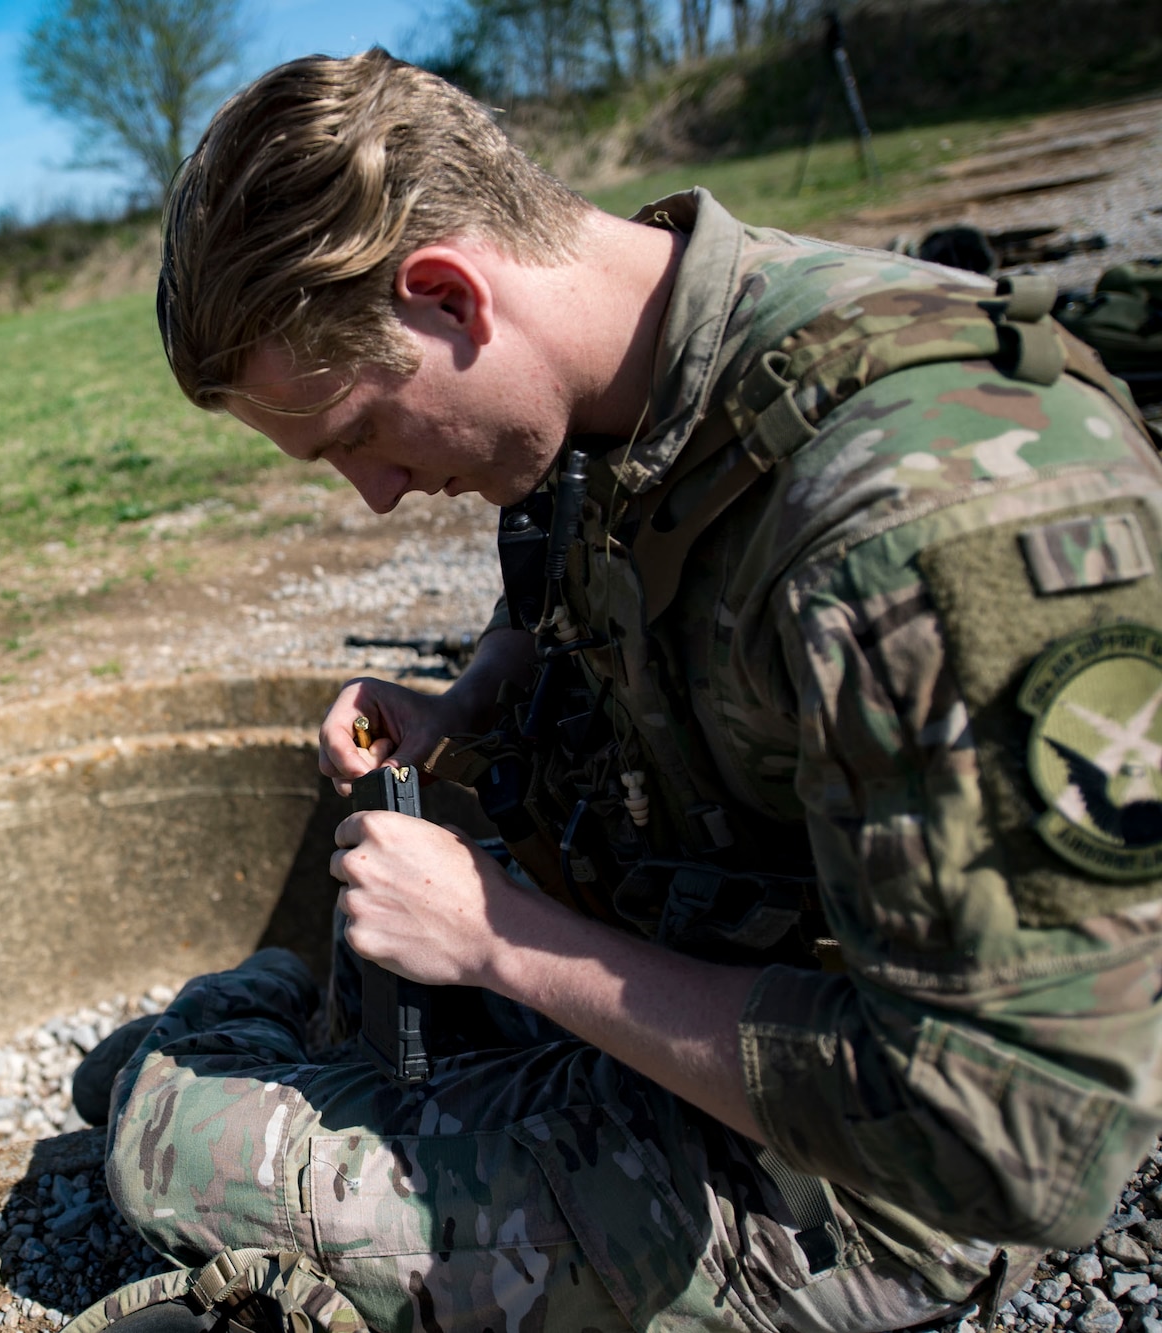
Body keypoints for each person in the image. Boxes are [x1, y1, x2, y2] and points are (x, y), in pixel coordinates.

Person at [94, 48, 1162, 1333]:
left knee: (169, 1143)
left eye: (359, 435)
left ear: (444, 297)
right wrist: (467, 700)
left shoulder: (925, 517)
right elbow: (593, 594)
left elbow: (1024, 1138)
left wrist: (505, 941)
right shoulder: (627, 370)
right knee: (236, 1056)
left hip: (856, 1175)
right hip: (674, 963)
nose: (372, 494)